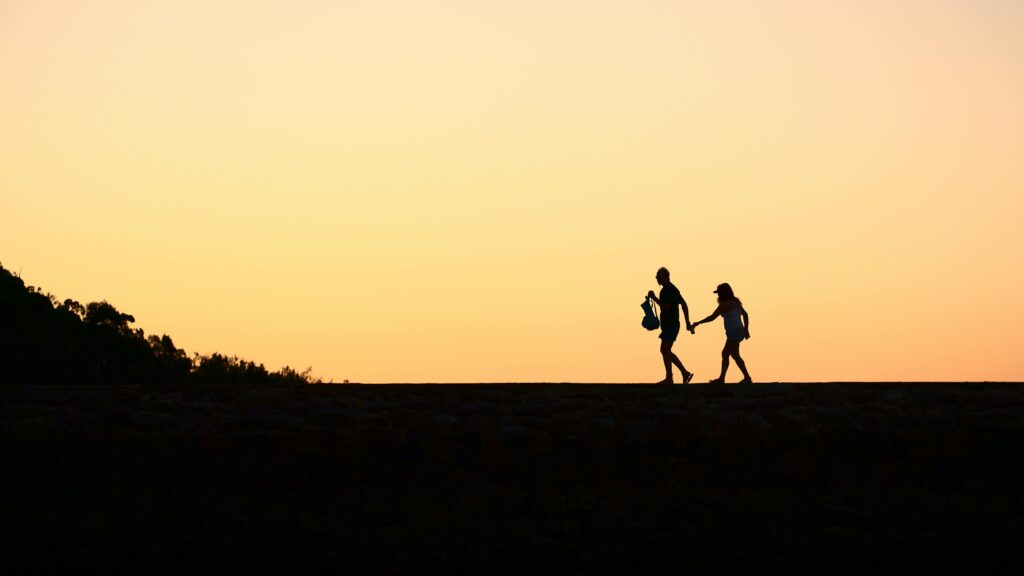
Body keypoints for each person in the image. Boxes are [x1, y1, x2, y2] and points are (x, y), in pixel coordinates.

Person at [691, 283, 753, 384]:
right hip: (738, 331)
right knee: (731, 354)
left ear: (723, 293)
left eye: (719, 293)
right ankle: (740, 377)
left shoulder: (724, 304)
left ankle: (732, 378)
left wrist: (698, 323)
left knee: (730, 354)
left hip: (734, 332)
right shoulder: (735, 302)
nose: (718, 295)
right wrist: (746, 330)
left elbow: (712, 317)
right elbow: (745, 315)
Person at [647, 267, 694, 385]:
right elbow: (684, 304)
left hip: (671, 324)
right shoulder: (673, 289)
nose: (657, 279)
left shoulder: (667, 290)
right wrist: (687, 322)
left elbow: (666, 307)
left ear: (666, 277)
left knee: (665, 349)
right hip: (672, 324)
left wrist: (654, 298)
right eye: (657, 277)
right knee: (665, 350)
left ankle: (671, 377)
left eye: (659, 276)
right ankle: (683, 373)